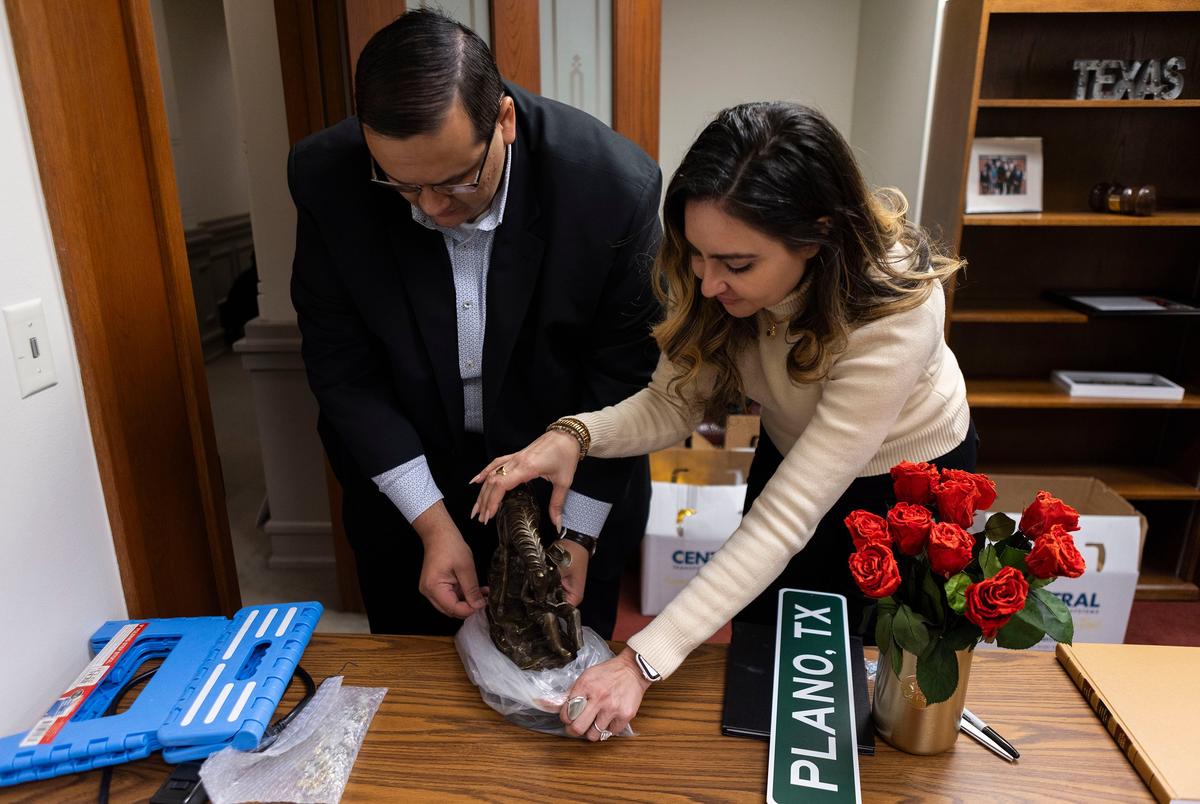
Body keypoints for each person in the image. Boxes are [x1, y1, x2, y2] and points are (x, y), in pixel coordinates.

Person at [472, 102, 976, 741]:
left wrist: (642, 661)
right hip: (795, 457)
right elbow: (674, 401)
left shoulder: (893, 310)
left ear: (818, 234)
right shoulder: (717, 272)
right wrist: (574, 435)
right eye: (698, 256)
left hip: (910, 485)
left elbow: (791, 516)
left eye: (736, 265)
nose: (708, 285)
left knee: (880, 701)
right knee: (763, 669)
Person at [288, 9, 662, 638]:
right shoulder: (328, 178)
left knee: (558, 680)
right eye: (403, 187)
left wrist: (577, 535)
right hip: (407, 477)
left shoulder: (609, 186)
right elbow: (342, 368)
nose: (432, 210)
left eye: (454, 182)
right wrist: (432, 522)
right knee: (420, 689)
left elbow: (624, 376)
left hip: (564, 475)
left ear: (505, 122)